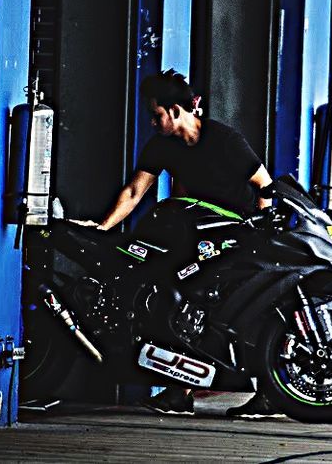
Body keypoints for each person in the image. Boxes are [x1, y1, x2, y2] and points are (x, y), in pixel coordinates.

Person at [97, 69, 278, 418]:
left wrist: (261, 237)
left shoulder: (225, 141)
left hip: (238, 240)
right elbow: (135, 191)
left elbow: (265, 188)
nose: (151, 122)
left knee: (247, 312)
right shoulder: (162, 145)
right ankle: (179, 392)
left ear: (176, 111)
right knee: (176, 302)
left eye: (156, 114)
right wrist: (103, 228)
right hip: (198, 240)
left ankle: (268, 394)